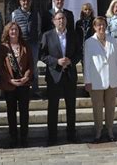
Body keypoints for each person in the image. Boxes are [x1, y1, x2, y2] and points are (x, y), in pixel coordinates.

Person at [39, 11, 80, 146]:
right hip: (54, 76)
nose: (61, 21)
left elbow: (79, 53)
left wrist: (71, 61)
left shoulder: (73, 35)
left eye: (63, 18)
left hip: (69, 75)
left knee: (71, 106)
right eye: (58, 19)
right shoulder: (47, 35)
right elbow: (42, 55)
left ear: (66, 20)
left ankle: (71, 134)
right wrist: (56, 61)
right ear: (53, 21)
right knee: (53, 107)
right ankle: (52, 136)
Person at [84, 16, 117, 143]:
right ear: (94, 27)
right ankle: (99, 131)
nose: (101, 27)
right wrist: (87, 81)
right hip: (96, 80)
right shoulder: (89, 42)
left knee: (111, 107)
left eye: (103, 25)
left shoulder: (112, 41)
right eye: (98, 25)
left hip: (112, 78)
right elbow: (87, 63)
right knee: (97, 107)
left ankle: (110, 130)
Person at [0, 22, 33, 148]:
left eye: (16, 30)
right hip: (10, 85)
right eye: (11, 30)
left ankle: (24, 137)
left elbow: (30, 64)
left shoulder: (25, 45)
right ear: (7, 31)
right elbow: (1, 67)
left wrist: (26, 77)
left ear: (19, 32)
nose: (14, 32)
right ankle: (13, 137)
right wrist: (9, 80)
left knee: (24, 112)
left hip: (24, 84)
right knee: (11, 112)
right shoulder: (3, 47)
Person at [10, 0, 41, 98]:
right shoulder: (15, 13)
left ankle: (35, 90)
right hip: (21, 44)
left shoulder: (36, 14)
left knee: (34, 67)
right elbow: (12, 28)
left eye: (27, 0)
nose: (25, 2)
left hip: (33, 44)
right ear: (20, 2)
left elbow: (39, 29)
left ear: (30, 2)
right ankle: (22, 89)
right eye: (23, 0)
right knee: (21, 66)